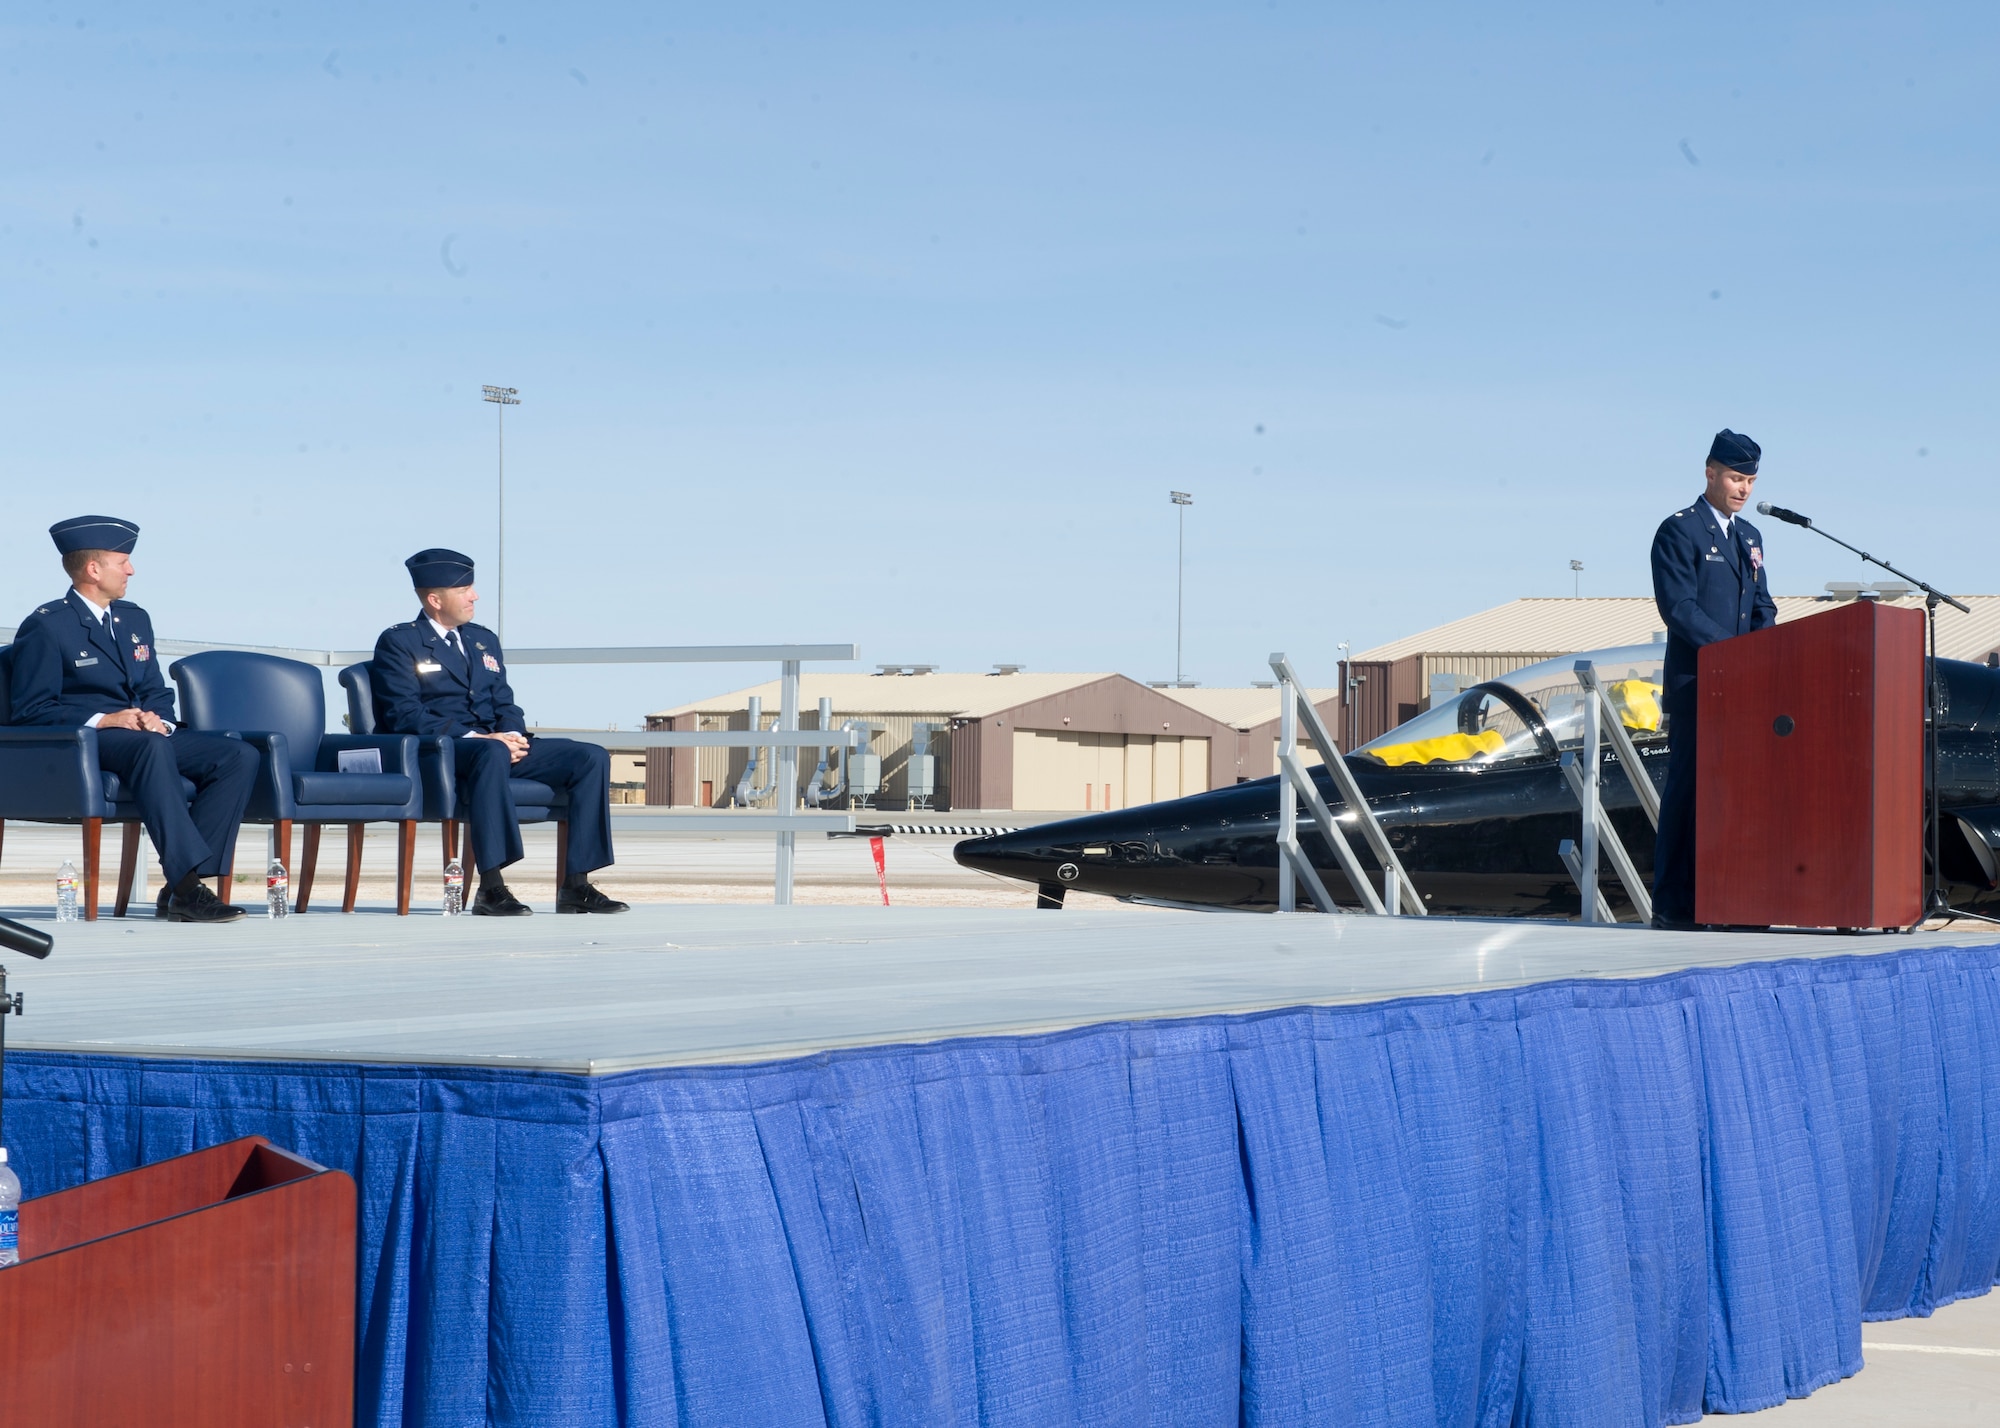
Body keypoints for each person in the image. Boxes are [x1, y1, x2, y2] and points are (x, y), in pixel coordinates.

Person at [8, 516, 258, 923]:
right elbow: (32, 708)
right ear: (93, 569)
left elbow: (155, 688)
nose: (131, 570)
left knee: (238, 756)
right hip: (86, 741)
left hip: (143, 734)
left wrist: (161, 719)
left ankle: (183, 883)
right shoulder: (48, 626)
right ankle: (188, 888)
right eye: (122, 561)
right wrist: (105, 719)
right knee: (151, 748)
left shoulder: (134, 619)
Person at [370, 549, 628, 916]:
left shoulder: (482, 640)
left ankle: (576, 885)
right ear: (435, 599)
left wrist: (512, 735)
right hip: (444, 752)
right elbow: (404, 714)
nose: (474, 596)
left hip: (496, 747)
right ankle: (491, 888)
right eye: (464, 591)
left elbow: (504, 701)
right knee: (489, 754)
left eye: (472, 588)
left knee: (590, 756)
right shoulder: (400, 642)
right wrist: (480, 739)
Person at [1649, 430, 1778, 929]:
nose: (1743, 488)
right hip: (1699, 685)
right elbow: (1678, 607)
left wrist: (1764, 651)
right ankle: (1674, 907)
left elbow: (1762, 603)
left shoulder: (1750, 537)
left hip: (1744, 689)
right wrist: (1734, 654)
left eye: (1749, 480)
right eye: (1735, 477)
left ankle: (1732, 901)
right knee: (1689, 794)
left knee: (1740, 796)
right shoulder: (1680, 530)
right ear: (1709, 472)